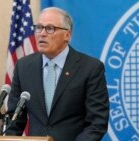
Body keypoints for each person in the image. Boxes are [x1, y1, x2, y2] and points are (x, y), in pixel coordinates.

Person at [6, 7, 109, 141]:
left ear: (67, 35)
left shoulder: (90, 68)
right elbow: (15, 119)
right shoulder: (23, 67)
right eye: (39, 27)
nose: (42, 33)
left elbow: (97, 122)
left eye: (50, 28)